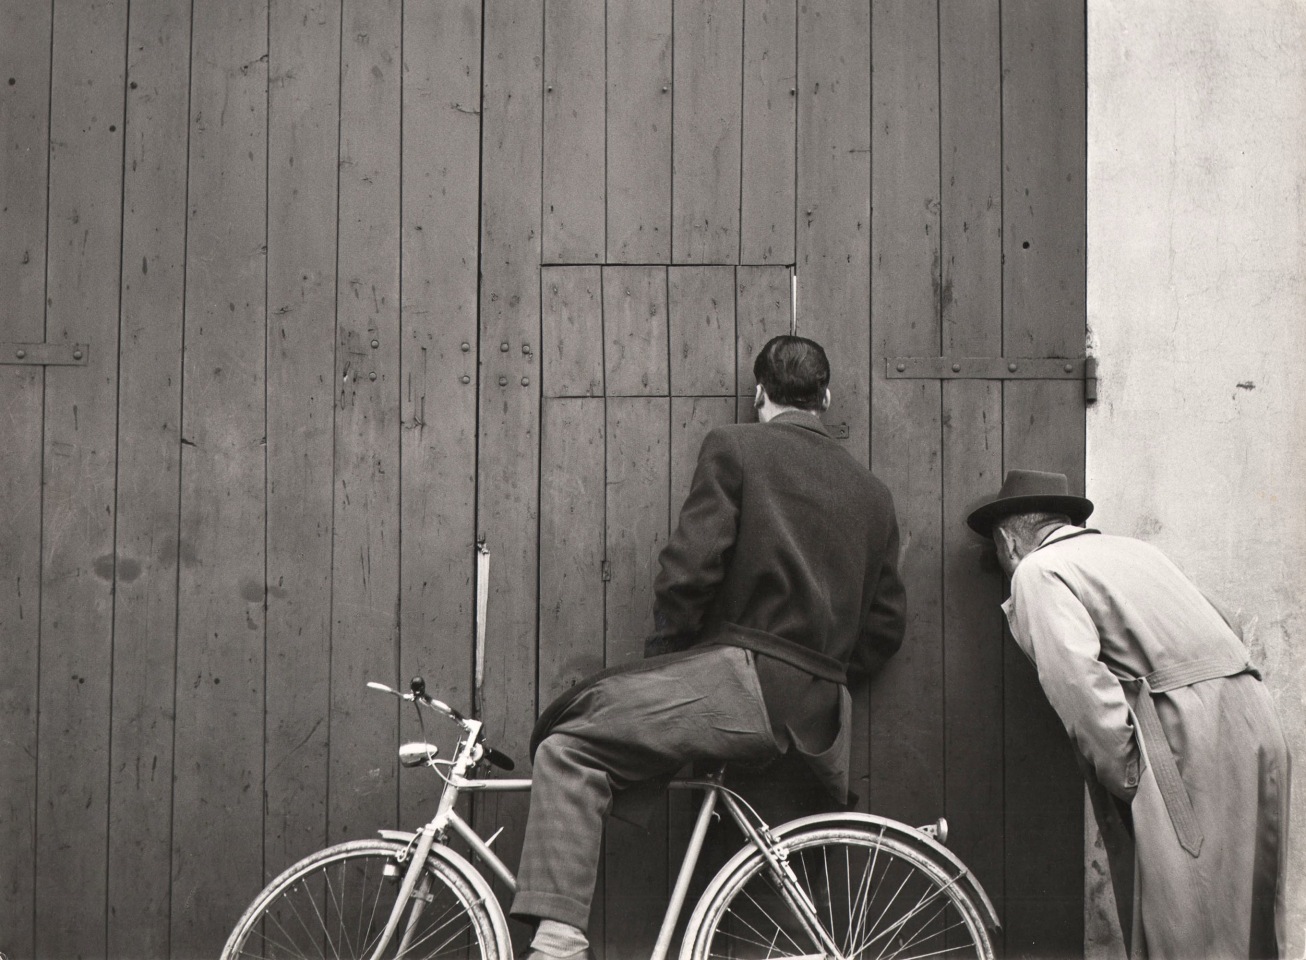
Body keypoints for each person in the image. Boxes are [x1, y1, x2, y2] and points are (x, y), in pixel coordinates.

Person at [510, 335, 907, 960]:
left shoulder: (736, 447)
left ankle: (557, 940)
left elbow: (690, 570)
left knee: (570, 744)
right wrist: (819, 670)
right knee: (761, 879)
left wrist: (665, 658)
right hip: (820, 715)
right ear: (825, 398)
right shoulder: (873, 493)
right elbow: (885, 627)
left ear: (759, 395)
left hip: (743, 685)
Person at [966, 469, 1290, 960]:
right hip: (1253, 716)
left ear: (1009, 542)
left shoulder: (1039, 570)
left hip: (1187, 732)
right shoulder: (1140, 552)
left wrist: (1129, 775)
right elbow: (1225, 621)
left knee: (1185, 921)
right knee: (1248, 913)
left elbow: (1080, 686)